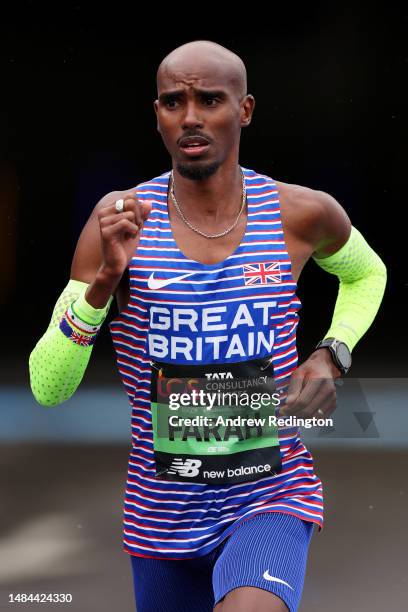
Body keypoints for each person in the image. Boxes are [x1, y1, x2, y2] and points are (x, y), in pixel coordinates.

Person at [29, 40, 387, 612]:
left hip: (271, 493)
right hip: (160, 515)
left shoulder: (299, 212)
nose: (191, 117)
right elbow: (48, 387)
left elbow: (369, 275)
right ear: (157, 115)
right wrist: (101, 289)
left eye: (210, 100)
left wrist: (331, 352)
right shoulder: (119, 223)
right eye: (174, 102)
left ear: (244, 110)